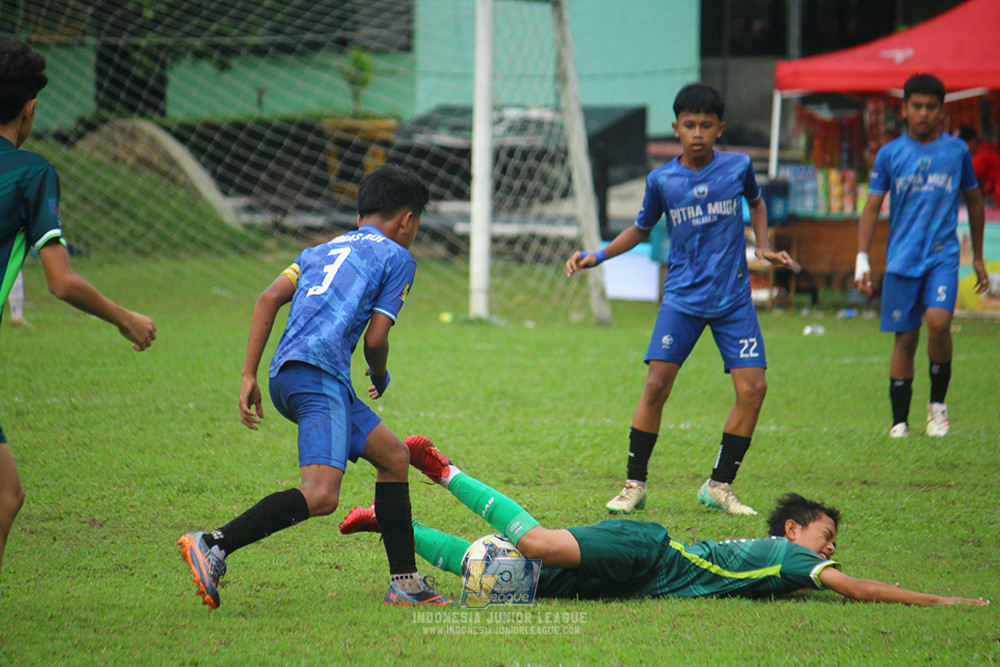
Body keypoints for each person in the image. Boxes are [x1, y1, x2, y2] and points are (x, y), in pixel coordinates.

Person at [176, 164, 450, 609]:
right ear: (407, 220)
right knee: (321, 494)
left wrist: (248, 375)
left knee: (394, 457)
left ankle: (406, 584)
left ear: (361, 214)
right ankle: (213, 543)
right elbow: (376, 340)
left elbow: (268, 298)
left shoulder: (318, 250)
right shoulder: (398, 256)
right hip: (318, 375)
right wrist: (380, 374)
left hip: (287, 374)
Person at [341, 435, 989, 606]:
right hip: (645, 552)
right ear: (794, 530)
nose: (830, 549)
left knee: (509, 577)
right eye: (827, 536)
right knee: (533, 543)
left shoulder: (782, 560)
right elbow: (858, 588)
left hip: (637, 577)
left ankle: (389, 525)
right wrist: (942, 598)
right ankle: (444, 470)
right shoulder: (793, 557)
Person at [565, 83, 796, 515]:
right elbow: (640, 229)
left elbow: (758, 203)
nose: (697, 133)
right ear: (676, 128)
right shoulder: (663, 180)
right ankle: (634, 485)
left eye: (706, 125)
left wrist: (763, 245)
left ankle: (720, 485)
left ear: (720, 128)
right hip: (683, 299)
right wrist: (598, 255)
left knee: (754, 388)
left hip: (733, 300)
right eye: (689, 125)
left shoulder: (739, 166)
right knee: (656, 385)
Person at [0, 38, 156, 593]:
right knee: (5, 495)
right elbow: (61, 281)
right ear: (29, 109)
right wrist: (124, 318)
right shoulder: (30, 173)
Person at [856, 75, 989, 439]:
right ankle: (900, 422)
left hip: (942, 256)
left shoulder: (957, 152)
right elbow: (871, 207)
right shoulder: (890, 154)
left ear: (941, 110)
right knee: (905, 339)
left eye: (931, 107)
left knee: (939, 322)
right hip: (902, 259)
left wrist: (978, 256)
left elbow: (975, 202)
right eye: (917, 106)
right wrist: (862, 257)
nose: (924, 113)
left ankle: (937, 407)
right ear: (904, 109)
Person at [957, 126, 1000, 207]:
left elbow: (966, 177)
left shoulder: (983, 154)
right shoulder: (983, 149)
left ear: (973, 142)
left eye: (961, 144)